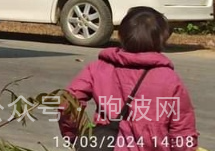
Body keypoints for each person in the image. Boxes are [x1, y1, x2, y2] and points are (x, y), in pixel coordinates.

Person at [57, 8, 197, 150]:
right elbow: (183, 133)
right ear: (162, 40)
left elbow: (67, 103)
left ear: (120, 35)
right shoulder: (169, 79)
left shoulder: (99, 68)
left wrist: (75, 138)